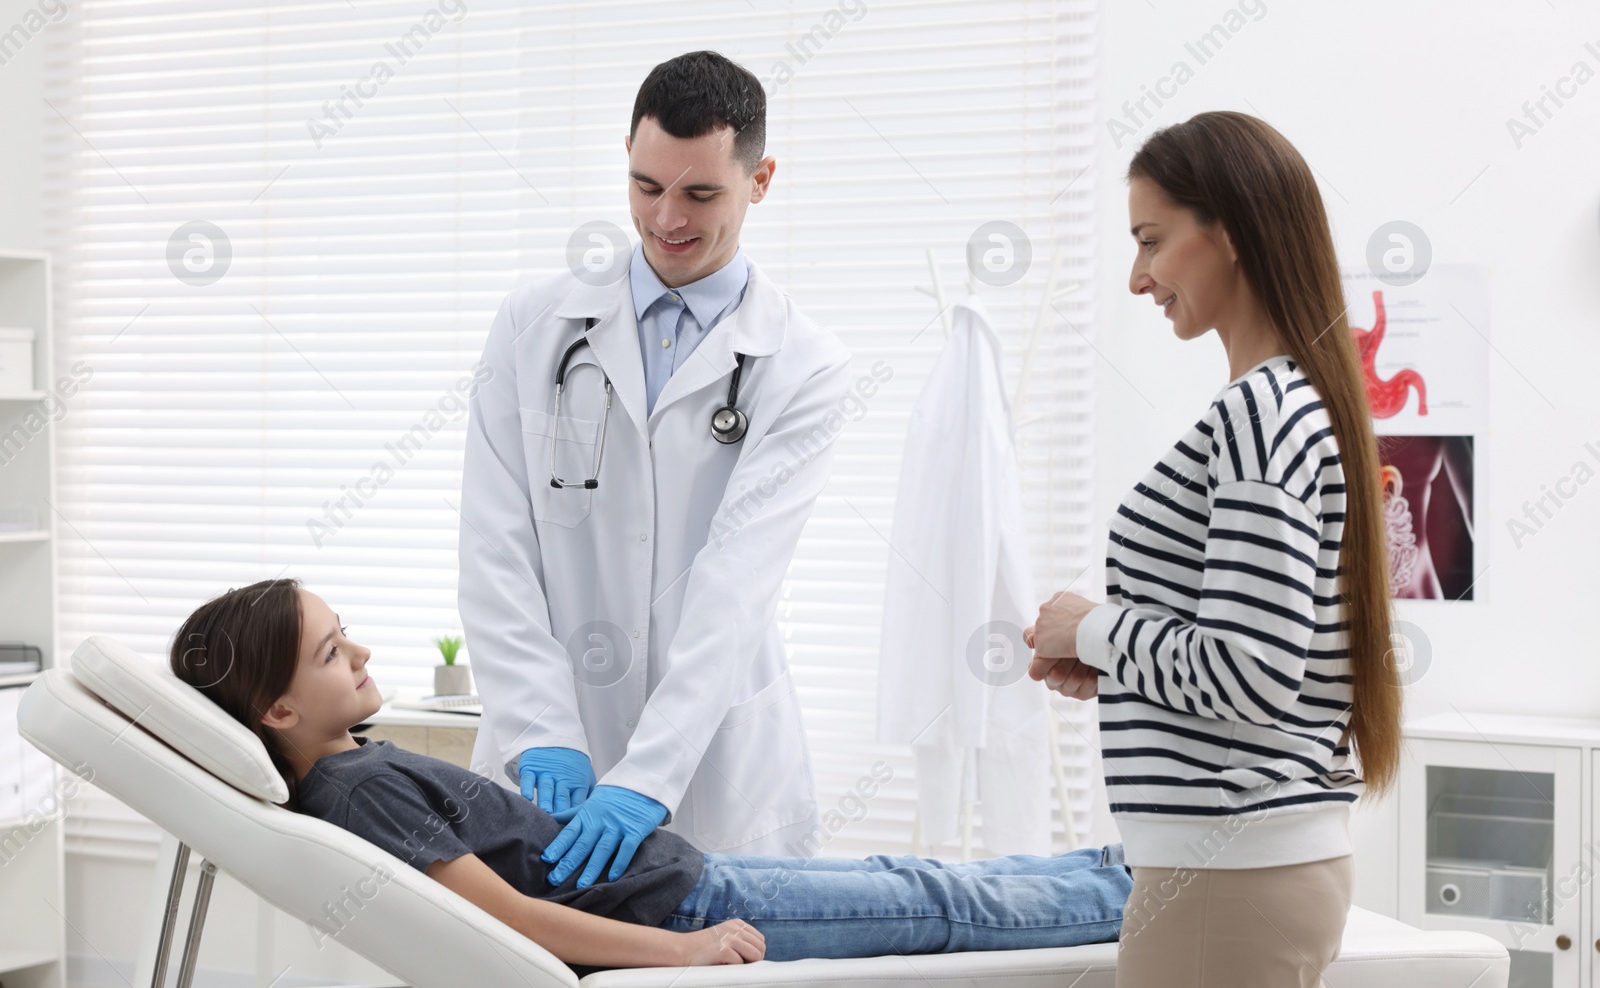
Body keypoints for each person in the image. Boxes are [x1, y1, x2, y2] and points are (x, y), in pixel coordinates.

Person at [168, 580, 1135, 972]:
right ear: (279, 711)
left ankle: (1117, 875)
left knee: (918, 882)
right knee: (928, 902)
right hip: (674, 909)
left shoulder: (352, 766)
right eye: (335, 651)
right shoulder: (356, 792)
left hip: (677, 881)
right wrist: (684, 952)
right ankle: (1136, 894)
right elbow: (504, 917)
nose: (361, 649)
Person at [457, 49, 853, 891]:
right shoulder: (534, 326)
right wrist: (539, 725)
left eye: (701, 194)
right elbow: (495, 546)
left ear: (762, 177)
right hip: (544, 756)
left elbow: (735, 585)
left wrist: (648, 777)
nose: (667, 216)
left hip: (715, 769)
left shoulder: (803, 364)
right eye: (646, 186)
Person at [1022, 111, 1403, 988]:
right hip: (1245, 870)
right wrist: (1123, 662)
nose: (1137, 277)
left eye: (1151, 240)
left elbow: (1252, 670)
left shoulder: (1261, 415)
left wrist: (1092, 630)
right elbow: (1268, 653)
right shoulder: (1299, 402)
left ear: (1224, 230)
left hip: (1226, 879)